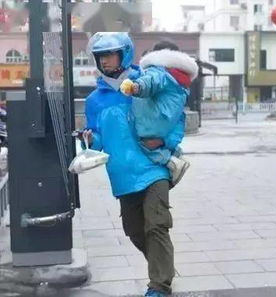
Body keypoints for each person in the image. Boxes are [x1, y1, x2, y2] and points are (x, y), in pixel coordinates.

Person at [83, 32, 178, 297]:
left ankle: (159, 284)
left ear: (124, 54)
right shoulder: (94, 101)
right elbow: (96, 139)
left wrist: (165, 140)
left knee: (156, 224)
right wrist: (90, 139)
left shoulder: (146, 83)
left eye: (110, 55)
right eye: (101, 56)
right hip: (122, 174)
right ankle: (164, 266)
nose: (105, 62)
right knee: (134, 229)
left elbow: (174, 115)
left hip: (153, 166)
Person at [120, 39, 198, 185]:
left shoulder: (157, 70)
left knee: (141, 142)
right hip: (166, 122)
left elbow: (151, 81)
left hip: (152, 122)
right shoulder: (181, 82)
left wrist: (137, 87)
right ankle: (175, 154)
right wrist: (166, 141)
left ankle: (172, 162)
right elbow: (180, 120)